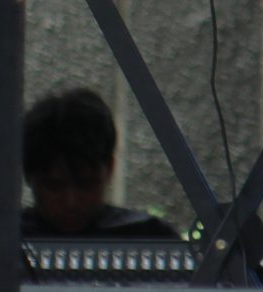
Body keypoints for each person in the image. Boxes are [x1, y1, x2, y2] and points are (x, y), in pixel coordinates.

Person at [20, 86, 181, 239]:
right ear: (29, 175)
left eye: (86, 185)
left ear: (110, 168)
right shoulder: (149, 236)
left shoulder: (148, 234)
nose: (71, 202)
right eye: (54, 187)